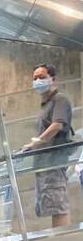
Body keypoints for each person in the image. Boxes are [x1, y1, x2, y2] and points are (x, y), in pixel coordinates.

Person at [19, 64, 75, 228]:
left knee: (58, 205)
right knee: (52, 203)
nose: (38, 81)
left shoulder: (60, 100)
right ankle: (60, 237)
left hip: (54, 161)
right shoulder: (46, 104)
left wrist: (35, 142)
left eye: (42, 77)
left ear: (53, 79)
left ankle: (62, 240)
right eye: (35, 78)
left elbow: (57, 125)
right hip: (45, 162)